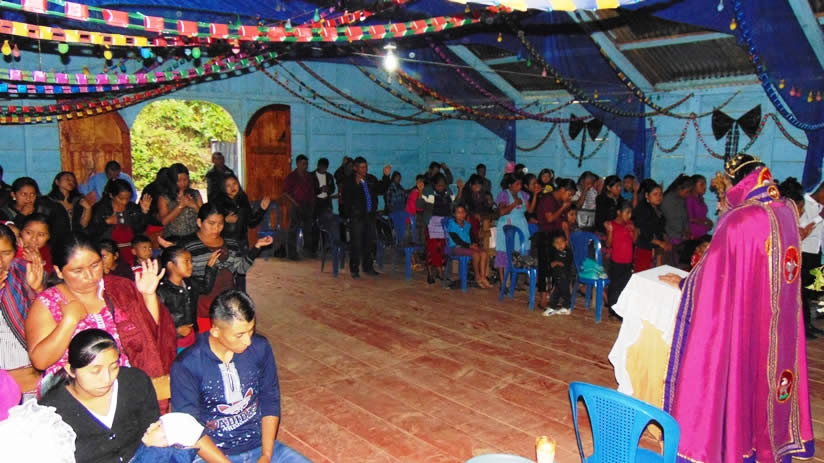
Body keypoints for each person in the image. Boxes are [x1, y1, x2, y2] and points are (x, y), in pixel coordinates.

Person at [659, 155, 814, 462]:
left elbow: (712, 279)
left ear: (738, 183)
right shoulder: (786, 210)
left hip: (745, 319)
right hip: (779, 321)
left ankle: (734, 444)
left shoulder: (740, 220)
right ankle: (774, 442)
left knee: (738, 373)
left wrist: (685, 283)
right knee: (768, 378)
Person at [25, 232, 176, 407]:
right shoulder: (48, 302)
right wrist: (69, 321)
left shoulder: (119, 289)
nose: (90, 276)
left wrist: (148, 295)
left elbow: (150, 336)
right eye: (78, 271)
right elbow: (40, 361)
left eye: (95, 265)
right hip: (74, 399)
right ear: (59, 271)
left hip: (125, 391)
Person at [171, 290, 311, 463]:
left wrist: (266, 455)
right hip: (211, 455)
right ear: (215, 331)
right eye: (239, 335)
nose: (248, 341)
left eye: (250, 331)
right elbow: (189, 429)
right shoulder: (187, 365)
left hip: (259, 445)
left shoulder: (260, 348)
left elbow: (270, 399)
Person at [40, 329, 214, 463]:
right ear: (71, 370)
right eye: (95, 371)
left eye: (114, 367)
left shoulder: (134, 382)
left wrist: (155, 440)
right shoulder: (51, 411)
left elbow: (151, 431)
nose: (107, 378)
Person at [179, 203, 272, 332]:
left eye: (220, 223)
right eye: (211, 223)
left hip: (227, 304)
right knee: (206, 340)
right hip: (201, 307)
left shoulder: (231, 243)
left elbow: (241, 269)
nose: (216, 228)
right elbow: (181, 278)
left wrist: (256, 247)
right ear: (199, 222)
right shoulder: (188, 246)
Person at [0, 223, 42, 393]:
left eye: (6, 253)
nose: (0, 262)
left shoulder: (24, 271)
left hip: (29, 375)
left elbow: (46, 323)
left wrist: (38, 290)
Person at [157, 246, 218, 350]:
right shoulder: (161, 290)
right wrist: (176, 330)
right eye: (186, 261)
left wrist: (210, 268)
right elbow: (156, 320)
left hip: (193, 334)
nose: (191, 265)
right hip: (173, 341)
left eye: (191, 261)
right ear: (171, 265)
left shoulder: (190, 283)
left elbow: (206, 288)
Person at [341, 157, 391, 278]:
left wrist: (386, 176)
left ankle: (368, 267)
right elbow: (346, 199)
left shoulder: (371, 179)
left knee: (369, 242)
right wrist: (356, 185)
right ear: (355, 168)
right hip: (357, 217)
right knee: (356, 244)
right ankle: (354, 269)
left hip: (370, 215)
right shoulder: (349, 181)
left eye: (366, 167)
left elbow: (381, 189)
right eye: (362, 167)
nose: (365, 169)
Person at [87, 179, 152, 266]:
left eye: (127, 199)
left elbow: (140, 230)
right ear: (111, 195)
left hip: (131, 252)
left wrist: (144, 213)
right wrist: (106, 222)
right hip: (109, 253)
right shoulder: (100, 209)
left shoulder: (132, 208)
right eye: (121, 198)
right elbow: (90, 232)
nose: (124, 202)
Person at [535, 179, 576, 309]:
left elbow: (563, 223)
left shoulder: (559, 201)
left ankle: (552, 297)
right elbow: (550, 218)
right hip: (545, 237)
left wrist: (566, 239)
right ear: (562, 190)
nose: (570, 198)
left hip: (557, 238)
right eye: (569, 194)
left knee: (557, 267)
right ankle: (543, 299)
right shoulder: (548, 199)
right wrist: (563, 207)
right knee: (545, 268)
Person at [494, 173, 537, 284]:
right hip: (508, 225)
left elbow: (530, 210)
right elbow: (502, 212)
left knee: (520, 251)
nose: (520, 186)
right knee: (505, 251)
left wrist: (535, 195)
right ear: (510, 185)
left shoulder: (523, 195)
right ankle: (503, 282)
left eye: (521, 184)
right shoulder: (504, 194)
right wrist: (514, 204)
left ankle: (515, 280)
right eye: (517, 184)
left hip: (521, 225)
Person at [796, 179, 824, 338]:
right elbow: (801, 229)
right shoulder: (803, 203)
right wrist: (820, 217)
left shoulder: (820, 207)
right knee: (802, 293)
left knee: (810, 291)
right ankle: (803, 327)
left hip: (815, 251)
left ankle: (808, 324)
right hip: (803, 252)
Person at [214, 174, 270, 248]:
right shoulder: (218, 202)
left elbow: (251, 223)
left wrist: (262, 209)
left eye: (234, 183)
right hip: (225, 243)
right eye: (228, 185)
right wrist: (225, 221)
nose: (232, 187)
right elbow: (211, 224)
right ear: (223, 188)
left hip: (242, 242)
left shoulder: (243, 199)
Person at [422, 174, 458, 284]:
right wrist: (420, 192)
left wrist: (459, 190)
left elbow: (454, 204)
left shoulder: (447, 192)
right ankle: (430, 272)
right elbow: (420, 205)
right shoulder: (428, 191)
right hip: (432, 224)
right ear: (434, 185)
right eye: (439, 185)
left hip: (444, 224)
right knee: (432, 247)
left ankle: (440, 270)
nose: (441, 187)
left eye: (443, 185)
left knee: (442, 247)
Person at [447, 204, 491, 288]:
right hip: (456, 247)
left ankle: (483, 277)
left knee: (484, 253)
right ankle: (477, 276)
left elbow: (472, 236)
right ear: (454, 214)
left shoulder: (467, 224)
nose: (461, 214)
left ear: (466, 213)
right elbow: (457, 240)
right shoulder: (451, 224)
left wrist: (474, 243)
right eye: (458, 212)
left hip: (468, 247)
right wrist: (470, 246)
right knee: (476, 254)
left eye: (463, 212)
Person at [605, 202, 636, 317]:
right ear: (619, 212)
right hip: (617, 261)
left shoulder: (630, 224)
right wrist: (610, 231)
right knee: (615, 285)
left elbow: (634, 241)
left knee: (624, 285)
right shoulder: (612, 225)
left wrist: (633, 231)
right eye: (627, 212)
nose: (629, 216)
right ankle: (612, 309)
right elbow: (608, 244)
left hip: (628, 261)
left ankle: (621, 308)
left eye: (630, 213)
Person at [158, 163, 203, 241]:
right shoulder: (164, 198)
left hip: (194, 236)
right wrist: (180, 206)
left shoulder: (195, 194)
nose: (183, 183)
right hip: (173, 237)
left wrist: (194, 205)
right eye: (179, 180)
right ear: (172, 181)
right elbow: (164, 222)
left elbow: (205, 216)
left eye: (185, 180)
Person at [632, 180, 670, 272]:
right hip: (644, 247)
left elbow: (660, 228)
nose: (659, 197)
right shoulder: (642, 209)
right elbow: (644, 232)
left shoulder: (658, 209)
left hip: (655, 247)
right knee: (643, 273)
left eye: (660, 194)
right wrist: (660, 243)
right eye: (655, 194)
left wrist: (665, 240)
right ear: (647, 195)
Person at [283, 154, 315, 258]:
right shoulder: (292, 177)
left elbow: (311, 191)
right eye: (303, 164)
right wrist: (295, 203)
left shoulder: (308, 176)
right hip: (296, 205)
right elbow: (285, 193)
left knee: (308, 229)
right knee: (293, 229)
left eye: (306, 164)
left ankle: (308, 251)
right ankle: (292, 253)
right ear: (297, 164)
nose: (305, 166)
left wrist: (312, 204)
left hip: (308, 205)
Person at [661, 175, 694, 265]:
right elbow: (671, 220)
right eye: (687, 192)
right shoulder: (668, 199)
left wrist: (687, 230)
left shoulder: (681, 199)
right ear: (679, 189)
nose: (688, 195)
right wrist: (682, 233)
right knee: (670, 263)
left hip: (680, 235)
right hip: (670, 235)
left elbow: (685, 216)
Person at [542, 232, 573, 317]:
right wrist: (554, 263)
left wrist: (557, 263)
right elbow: (550, 264)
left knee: (564, 292)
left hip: (564, 276)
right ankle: (552, 307)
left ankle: (567, 307)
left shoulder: (568, 252)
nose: (560, 245)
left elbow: (565, 263)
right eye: (557, 243)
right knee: (556, 292)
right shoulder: (554, 252)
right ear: (553, 244)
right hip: (557, 276)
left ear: (566, 242)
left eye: (562, 242)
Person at [686, 174, 713, 239]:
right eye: (702, 185)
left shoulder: (700, 199)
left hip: (702, 231)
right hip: (693, 233)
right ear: (693, 186)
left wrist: (709, 222)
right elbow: (689, 219)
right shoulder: (690, 199)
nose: (705, 187)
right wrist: (704, 222)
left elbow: (702, 216)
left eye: (705, 184)